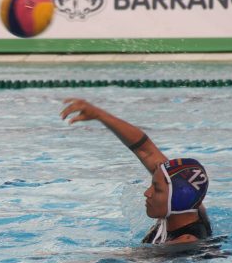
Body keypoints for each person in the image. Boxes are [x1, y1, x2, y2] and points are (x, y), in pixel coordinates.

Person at [60, 98, 212, 245]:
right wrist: (99, 115)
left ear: (178, 199)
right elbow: (145, 150)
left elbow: (131, 260)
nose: (147, 193)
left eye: (157, 189)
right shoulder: (189, 205)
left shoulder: (185, 242)